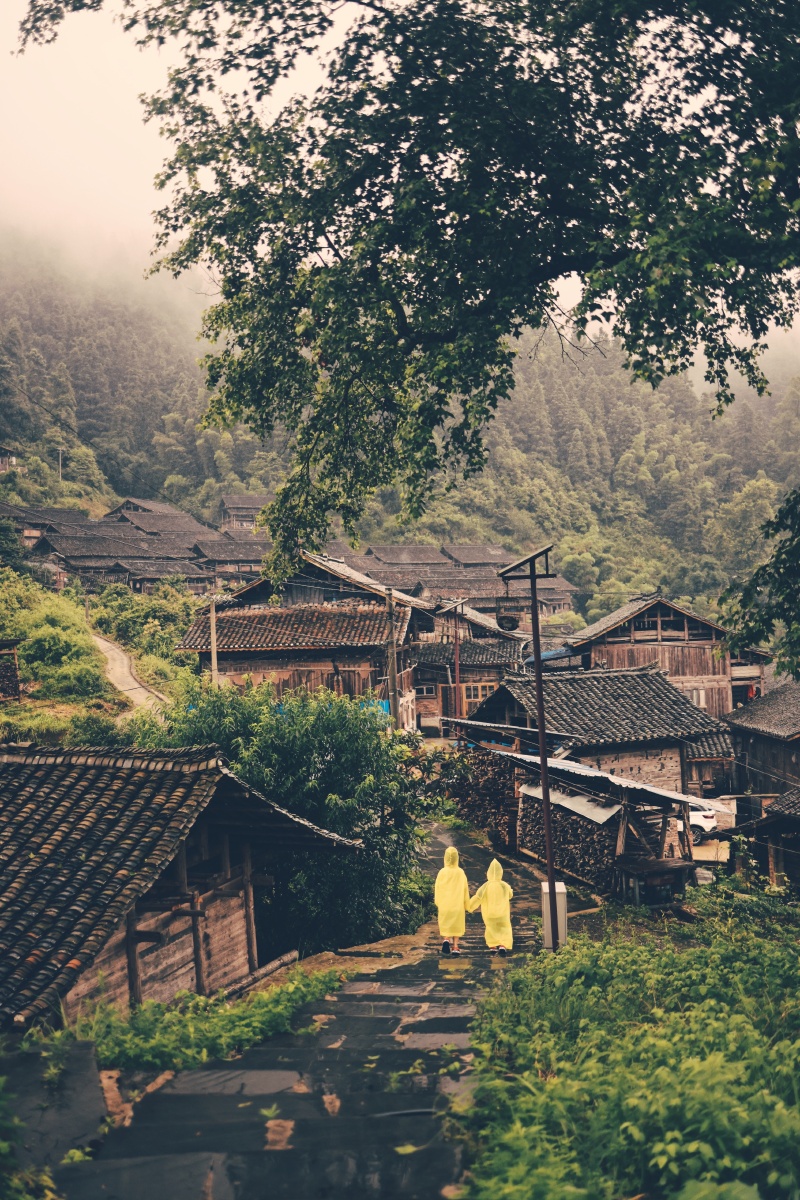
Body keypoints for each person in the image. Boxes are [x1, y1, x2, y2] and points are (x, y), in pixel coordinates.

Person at [468, 858, 513, 956]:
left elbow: (477, 897)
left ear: (488, 873)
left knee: (490, 928)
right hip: (502, 913)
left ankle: (492, 946)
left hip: (489, 913)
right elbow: (510, 895)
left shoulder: (485, 886)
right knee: (504, 929)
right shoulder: (504, 885)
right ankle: (502, 945)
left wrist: (469, 907)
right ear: (500, 873)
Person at [434, 846, 470, 955]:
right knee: (456, 926)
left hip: (445, 905)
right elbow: (465, 889)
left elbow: (437, 888)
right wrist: (466, 904)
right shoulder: (460, 872)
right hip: (457, 905)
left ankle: (446, 939)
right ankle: (455, 947)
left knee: (447, 925)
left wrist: (438, 902)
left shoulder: (442, 872)